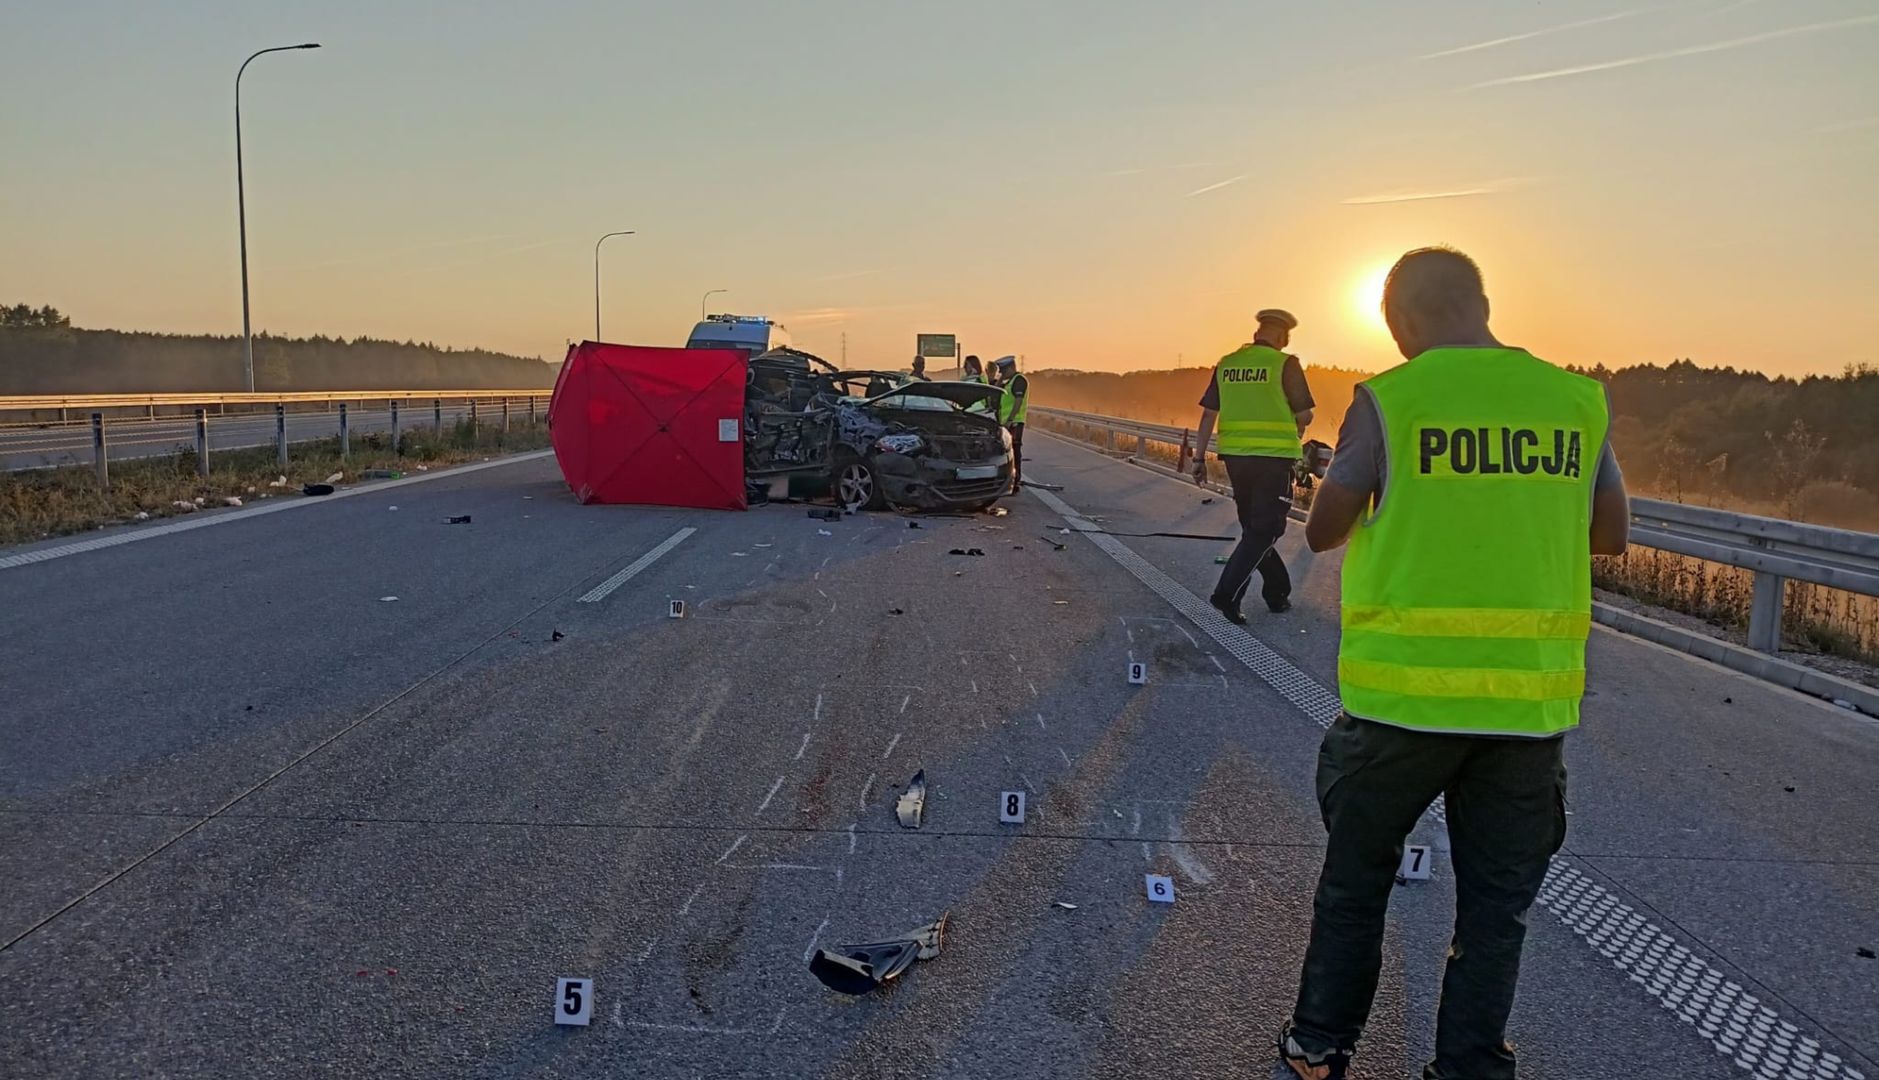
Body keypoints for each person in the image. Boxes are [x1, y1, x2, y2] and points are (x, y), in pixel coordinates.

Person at [1275, 247, 1629, 1080]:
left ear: (1402, 318)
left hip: (1399, 709)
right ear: (1480, 302)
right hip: (1526, 713)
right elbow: (1609, 533)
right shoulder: (1576, 401)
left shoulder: (1390, 401)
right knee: (1495, 913)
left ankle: (1319, 1048)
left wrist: (1334, 481)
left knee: (1355, 887)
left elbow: (1324, 530)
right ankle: (1467, 1065)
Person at [1190, 309, 1315, 622]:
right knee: (1266, 530)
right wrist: (1297, 426)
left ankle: (1277, 593)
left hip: (1236, 458)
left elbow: (1208, 415)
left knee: (1254, 530)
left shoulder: (1228, 363)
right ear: (1281, 335)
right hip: (1273, 459)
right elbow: (1305, 415)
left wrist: (1198, 458)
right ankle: (1226, 594)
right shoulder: (1285, 364)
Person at [992, 356, 1028, 492]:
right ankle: (1008, 480)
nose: (1002, 373)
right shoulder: (1008, 382)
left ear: (1012, 367)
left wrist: (1010, 420)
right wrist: (1000, 379)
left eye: (1004, 371)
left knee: (1015, 450)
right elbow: (994, 392)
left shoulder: (1019, 380)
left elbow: (1018, 401)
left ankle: (1016, 480)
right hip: (1005, 423)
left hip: (1015, 423)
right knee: (1007, 450)